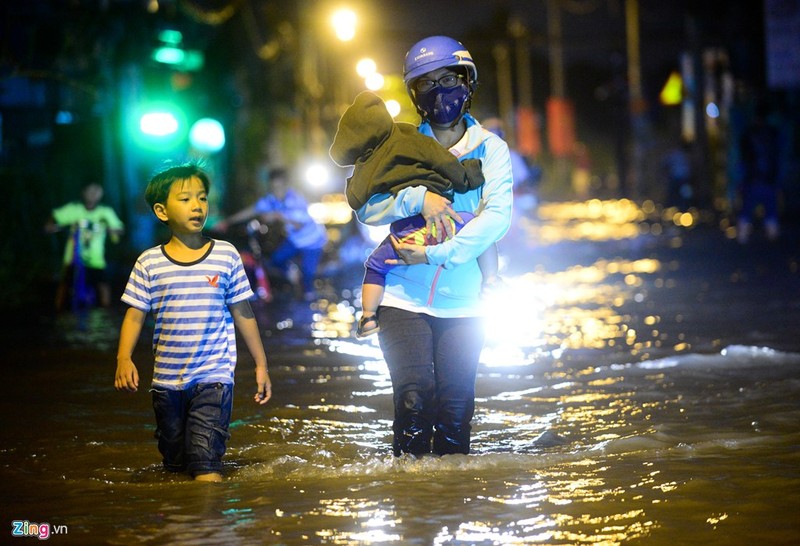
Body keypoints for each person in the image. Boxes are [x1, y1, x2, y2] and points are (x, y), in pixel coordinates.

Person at [353, 36, 513, 456]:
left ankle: (449, 503)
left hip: (466, 301)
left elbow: (497, 218)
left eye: (450, 78)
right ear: (414, 94)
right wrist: (416, 199)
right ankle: (409, 499)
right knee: (413, 397)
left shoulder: (491, 149)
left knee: (457, 409)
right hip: (402, 295)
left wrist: (439, 253)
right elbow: (366, 210)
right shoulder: (397, 146)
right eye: (428, 83)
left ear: (468, 82)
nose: (441, 91)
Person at [114, 163, 272, 482]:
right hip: (167, 381)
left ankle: (210, 530)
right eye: (185, 199)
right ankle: (183, 525)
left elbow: (243, 312)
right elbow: (135, 314)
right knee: (173, 466)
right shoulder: (149, 262)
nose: (197, 206)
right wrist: (123, 358)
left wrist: (261, 365)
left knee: (204, 464)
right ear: (161, 210)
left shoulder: (225, 255)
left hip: (214, 375)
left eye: (202, 198)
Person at [329, 90, 499, 338]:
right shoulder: (412, 138)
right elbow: (442, 161)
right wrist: (468, 175)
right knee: (482, 231)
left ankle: (367, 317)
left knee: (375, 266)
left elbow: (360, 203)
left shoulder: (368, 163)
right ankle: (492, 280)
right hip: (447, 223)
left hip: (407, 236)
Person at [215, 167, 328, 300]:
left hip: (313, 241)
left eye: (280, 187)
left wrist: (278, 216)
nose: (277, 191)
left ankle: (308, 302)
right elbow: (251, 211)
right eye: (274, 188)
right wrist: (227, 222)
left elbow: (299, 225)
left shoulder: (296, 199)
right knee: (276, 260)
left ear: (286, 185)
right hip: (295, 240)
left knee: (308, 278)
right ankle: (292, 272)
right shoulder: (270, 200)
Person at [45, 181, 124, 311]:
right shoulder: (74, 209)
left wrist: (111, 229)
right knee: (65, 284)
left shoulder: (105, 212)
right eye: (90, 190)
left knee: (102, 284)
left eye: (97, 191)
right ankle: (58, 311)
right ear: (83, 192)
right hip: (73, 258)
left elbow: (119, 229)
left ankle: (106, 312)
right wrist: (51, 226)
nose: (93, 194)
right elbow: (54, 217)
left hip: (96, 259)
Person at [737, 103, 782, 243]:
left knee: (750, 207)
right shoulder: (771, 133)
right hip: (763, 179)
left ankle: (744, 236)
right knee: (768, 207)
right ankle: (771, 235)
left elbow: (744, 158)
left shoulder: (750, 134)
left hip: (756, 179)